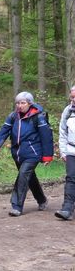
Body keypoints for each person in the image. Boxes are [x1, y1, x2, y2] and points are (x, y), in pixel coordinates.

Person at [0, 91, 54, 216]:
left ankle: (17, 206)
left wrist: (47, 156)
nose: (19, 105)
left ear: (30, 103)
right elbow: (3, 132)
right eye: (17, 103)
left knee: (23, 176)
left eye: (22, 103)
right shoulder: (13, 116)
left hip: (33, 153)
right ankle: (42, 200)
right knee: (29, 178)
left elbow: (46, 137)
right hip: (17, 153)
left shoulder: (39, 116)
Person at [55, 86, 75, 221]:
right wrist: (63, 151)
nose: (73, 99)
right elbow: (63, 132)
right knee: (71, 179)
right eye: (72, 97)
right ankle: (67, 209)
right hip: (71, 150)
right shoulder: (67, 111)